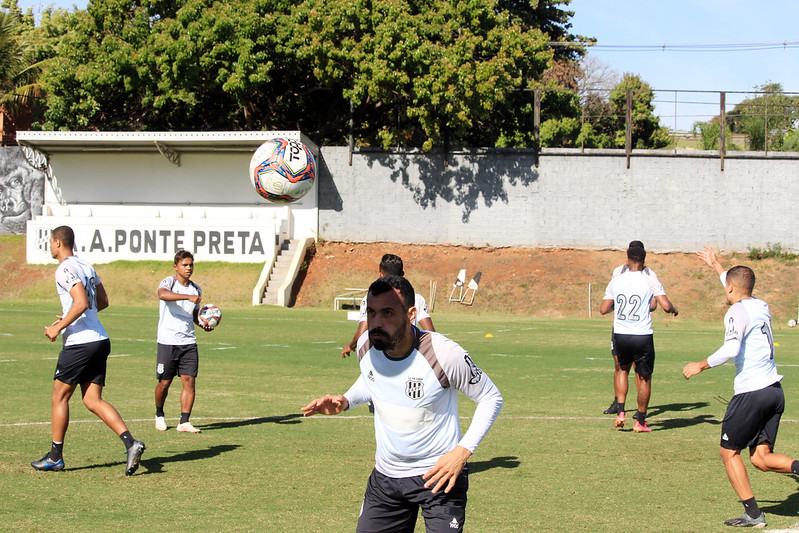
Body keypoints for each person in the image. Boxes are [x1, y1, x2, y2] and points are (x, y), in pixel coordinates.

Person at [303, 275, 503, 532]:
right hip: (386, 479)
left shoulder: (444, 354)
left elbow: (490, 397)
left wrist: (462, 452)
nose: (377, 323)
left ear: (411, 315)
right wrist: (346, 400)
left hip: (439, 477)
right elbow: (373, 379)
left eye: (387, 313)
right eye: (372, 313)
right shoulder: (366, 345)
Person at [683, 246, 799, 528]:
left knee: (728, 452)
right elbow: (736, 282)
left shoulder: (737, 310)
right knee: (761, 458)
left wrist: (701, 364)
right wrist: (716, 265)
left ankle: (754, 515)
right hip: (774, 392)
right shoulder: (760, 305)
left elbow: (732, 348)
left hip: (752, 393)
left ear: (731, 288)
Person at [32, 225, 145, 475]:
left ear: (58, 243)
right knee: (92, 399)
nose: (50, 247)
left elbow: (82, 302)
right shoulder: (86, 266)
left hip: (80, 343)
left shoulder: (63, 268)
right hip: (100, 339)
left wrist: (59, 326)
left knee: (59, 396)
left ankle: (55, 457)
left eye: (50, 242)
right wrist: (74, 316)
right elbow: (101, 302)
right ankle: (131, 443)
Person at [600, 244, 678, 432]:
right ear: (644, 261)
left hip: (620, 333)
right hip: (641, 334)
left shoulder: (616, 280)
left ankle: (620, 412)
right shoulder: (649, 279)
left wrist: (617, 307)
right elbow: (665, 306)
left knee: (621, 371)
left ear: (627, 258)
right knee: (644, 378)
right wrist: (674, 309)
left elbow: (603, 309)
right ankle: (641, 421)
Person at [154, 249, 212, 433]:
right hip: (168, 341)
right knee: (164, 383)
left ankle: (184, 421)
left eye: (191, 265)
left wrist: (203, 323)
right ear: (176, 266)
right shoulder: (169, 282)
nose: (188, 268)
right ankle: (159, 414)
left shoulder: (196, 289)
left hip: (188, 342)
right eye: (184, 265)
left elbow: (194, 315)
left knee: (189, 380)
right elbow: (162, 295)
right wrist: (187, 297)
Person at [603, 241, 660, 415]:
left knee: (638, 370)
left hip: (637, 329)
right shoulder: (618, 272)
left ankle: (638, 408)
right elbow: (613, 299)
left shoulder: (649, 274)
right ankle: (617, 403)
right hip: (620, 328)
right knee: (619, 367)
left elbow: (653, 304)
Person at [341, 253, 435, 358]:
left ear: (381, 274)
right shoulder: (417, 298)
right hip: (409, 355)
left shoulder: (370, 299)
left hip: (382, 358)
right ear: (402, 274)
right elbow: (430, 333)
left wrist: (351, 345)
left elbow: (361, 333)